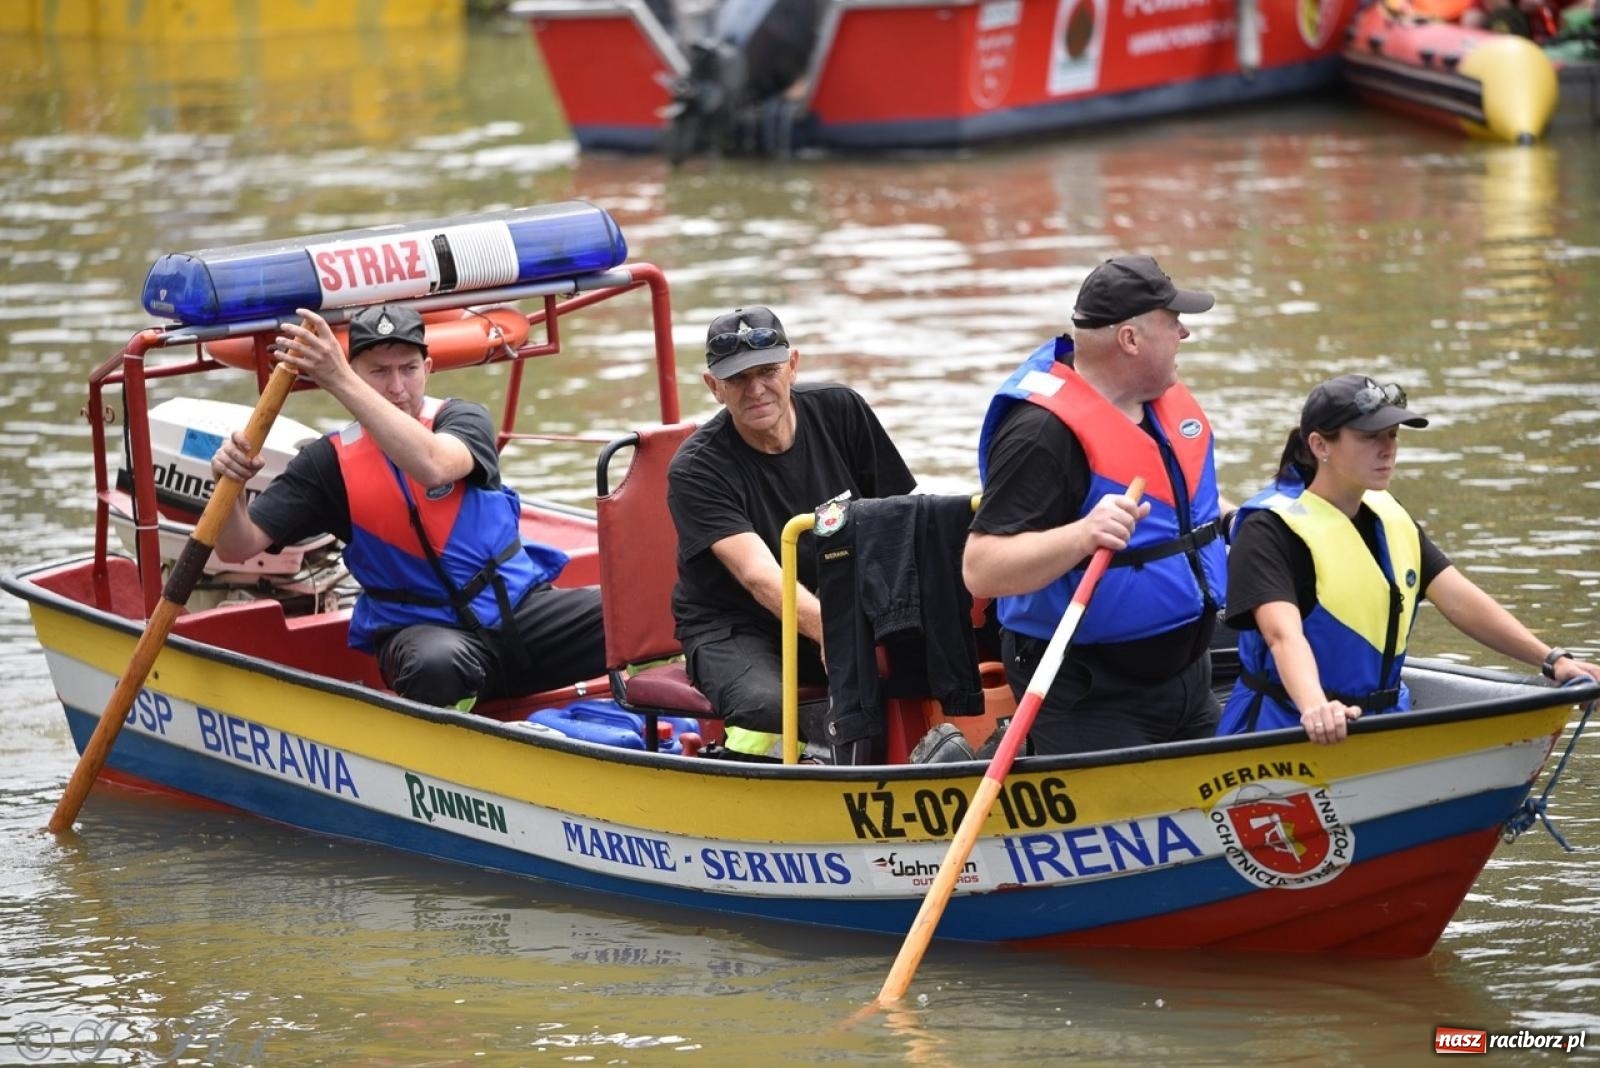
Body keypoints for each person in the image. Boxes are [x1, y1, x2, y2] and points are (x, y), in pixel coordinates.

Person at [210, 303, 605, 710]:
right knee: (433, 665)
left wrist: (339, 378)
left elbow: (434, 466)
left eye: (408, 369)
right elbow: (236, 547)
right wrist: (231, 490)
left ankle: (654, 719)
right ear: (356, 376)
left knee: (640, 611)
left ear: (428, 368)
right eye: (378, 372)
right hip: (424, 633)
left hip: (520, 612)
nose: (396, 387)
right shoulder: (327, 463)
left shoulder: (463, 418)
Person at [1219, 373, 1600, 743]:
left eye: (1393, 435)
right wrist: (1316, 707)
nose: (1388, 448)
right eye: (1369, 437)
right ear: (1320, 446)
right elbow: (1281, 635)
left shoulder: (1389, 515)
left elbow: (1459, 599)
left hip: (1382, 725)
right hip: (1286, 728)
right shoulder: (1269, 531)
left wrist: (1552, 660)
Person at [964, 255, 1230, 756]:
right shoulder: (1041, 433)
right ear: (1130, 340)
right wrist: (1084, 534)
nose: (1185, 335)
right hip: (1089, 692)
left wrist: (1235, 518)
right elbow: (981, 569)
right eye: (1173, 323)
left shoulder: (1156, 398)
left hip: (1187, 678)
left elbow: (1178, 503)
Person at [667, 305, 916, 759]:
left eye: (767, 371)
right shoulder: (696, 469)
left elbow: (901, 523)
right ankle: (759, 782)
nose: (756, 389)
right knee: (766, 708)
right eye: (738, 379)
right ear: (713, 388)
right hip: (737, 624)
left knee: (941, 651)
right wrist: (837, 634)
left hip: (840, 601)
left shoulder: (843, 411)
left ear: (793, 366)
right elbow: (760, 576)